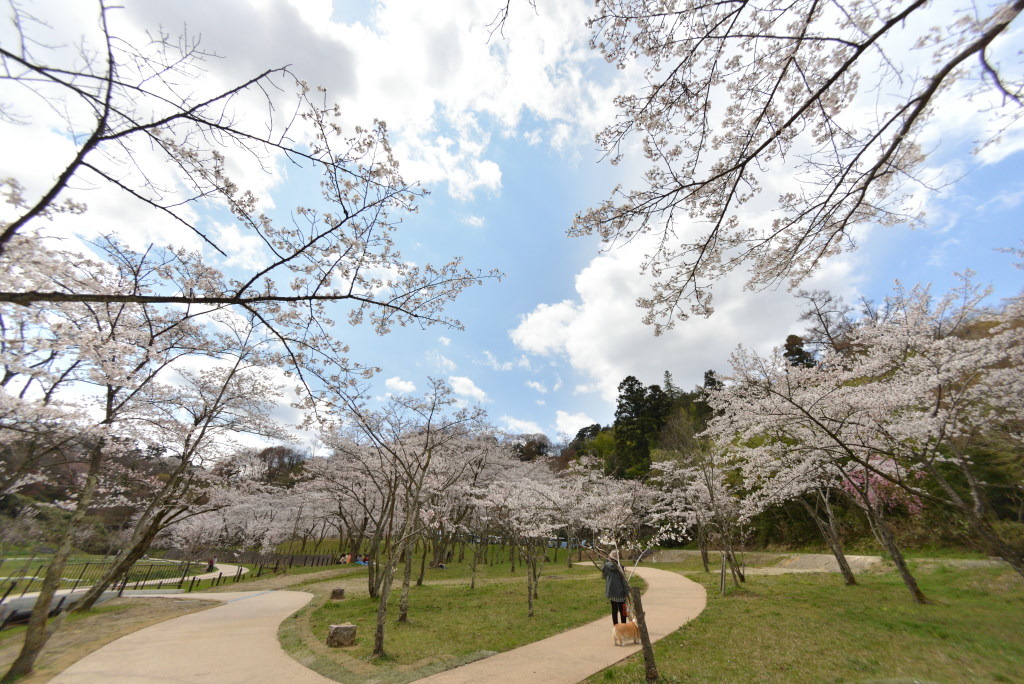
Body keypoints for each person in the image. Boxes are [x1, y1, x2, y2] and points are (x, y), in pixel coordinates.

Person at [602, 549, 628, 625]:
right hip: (620, 592)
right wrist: (626, 591)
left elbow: (604, 576)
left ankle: (615, 626)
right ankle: (623, 625)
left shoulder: (606, 566)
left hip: (611, 591)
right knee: (622, 609)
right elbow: (624, 581)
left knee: (614, 609)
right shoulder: (620, 568)